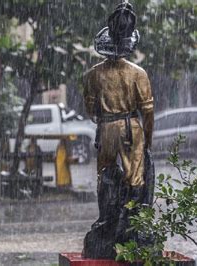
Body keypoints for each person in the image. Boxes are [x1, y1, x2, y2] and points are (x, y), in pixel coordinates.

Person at [82, 2, 155, 259]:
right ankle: (131, 227)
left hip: (106, 128)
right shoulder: (138, 73)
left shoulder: (92, 75)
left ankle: (107, 221)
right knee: (135, 180)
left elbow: (90, 110)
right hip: (130, 127)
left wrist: (105, 121)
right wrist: (148, 137)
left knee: (106, 177)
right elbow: (147, 111)